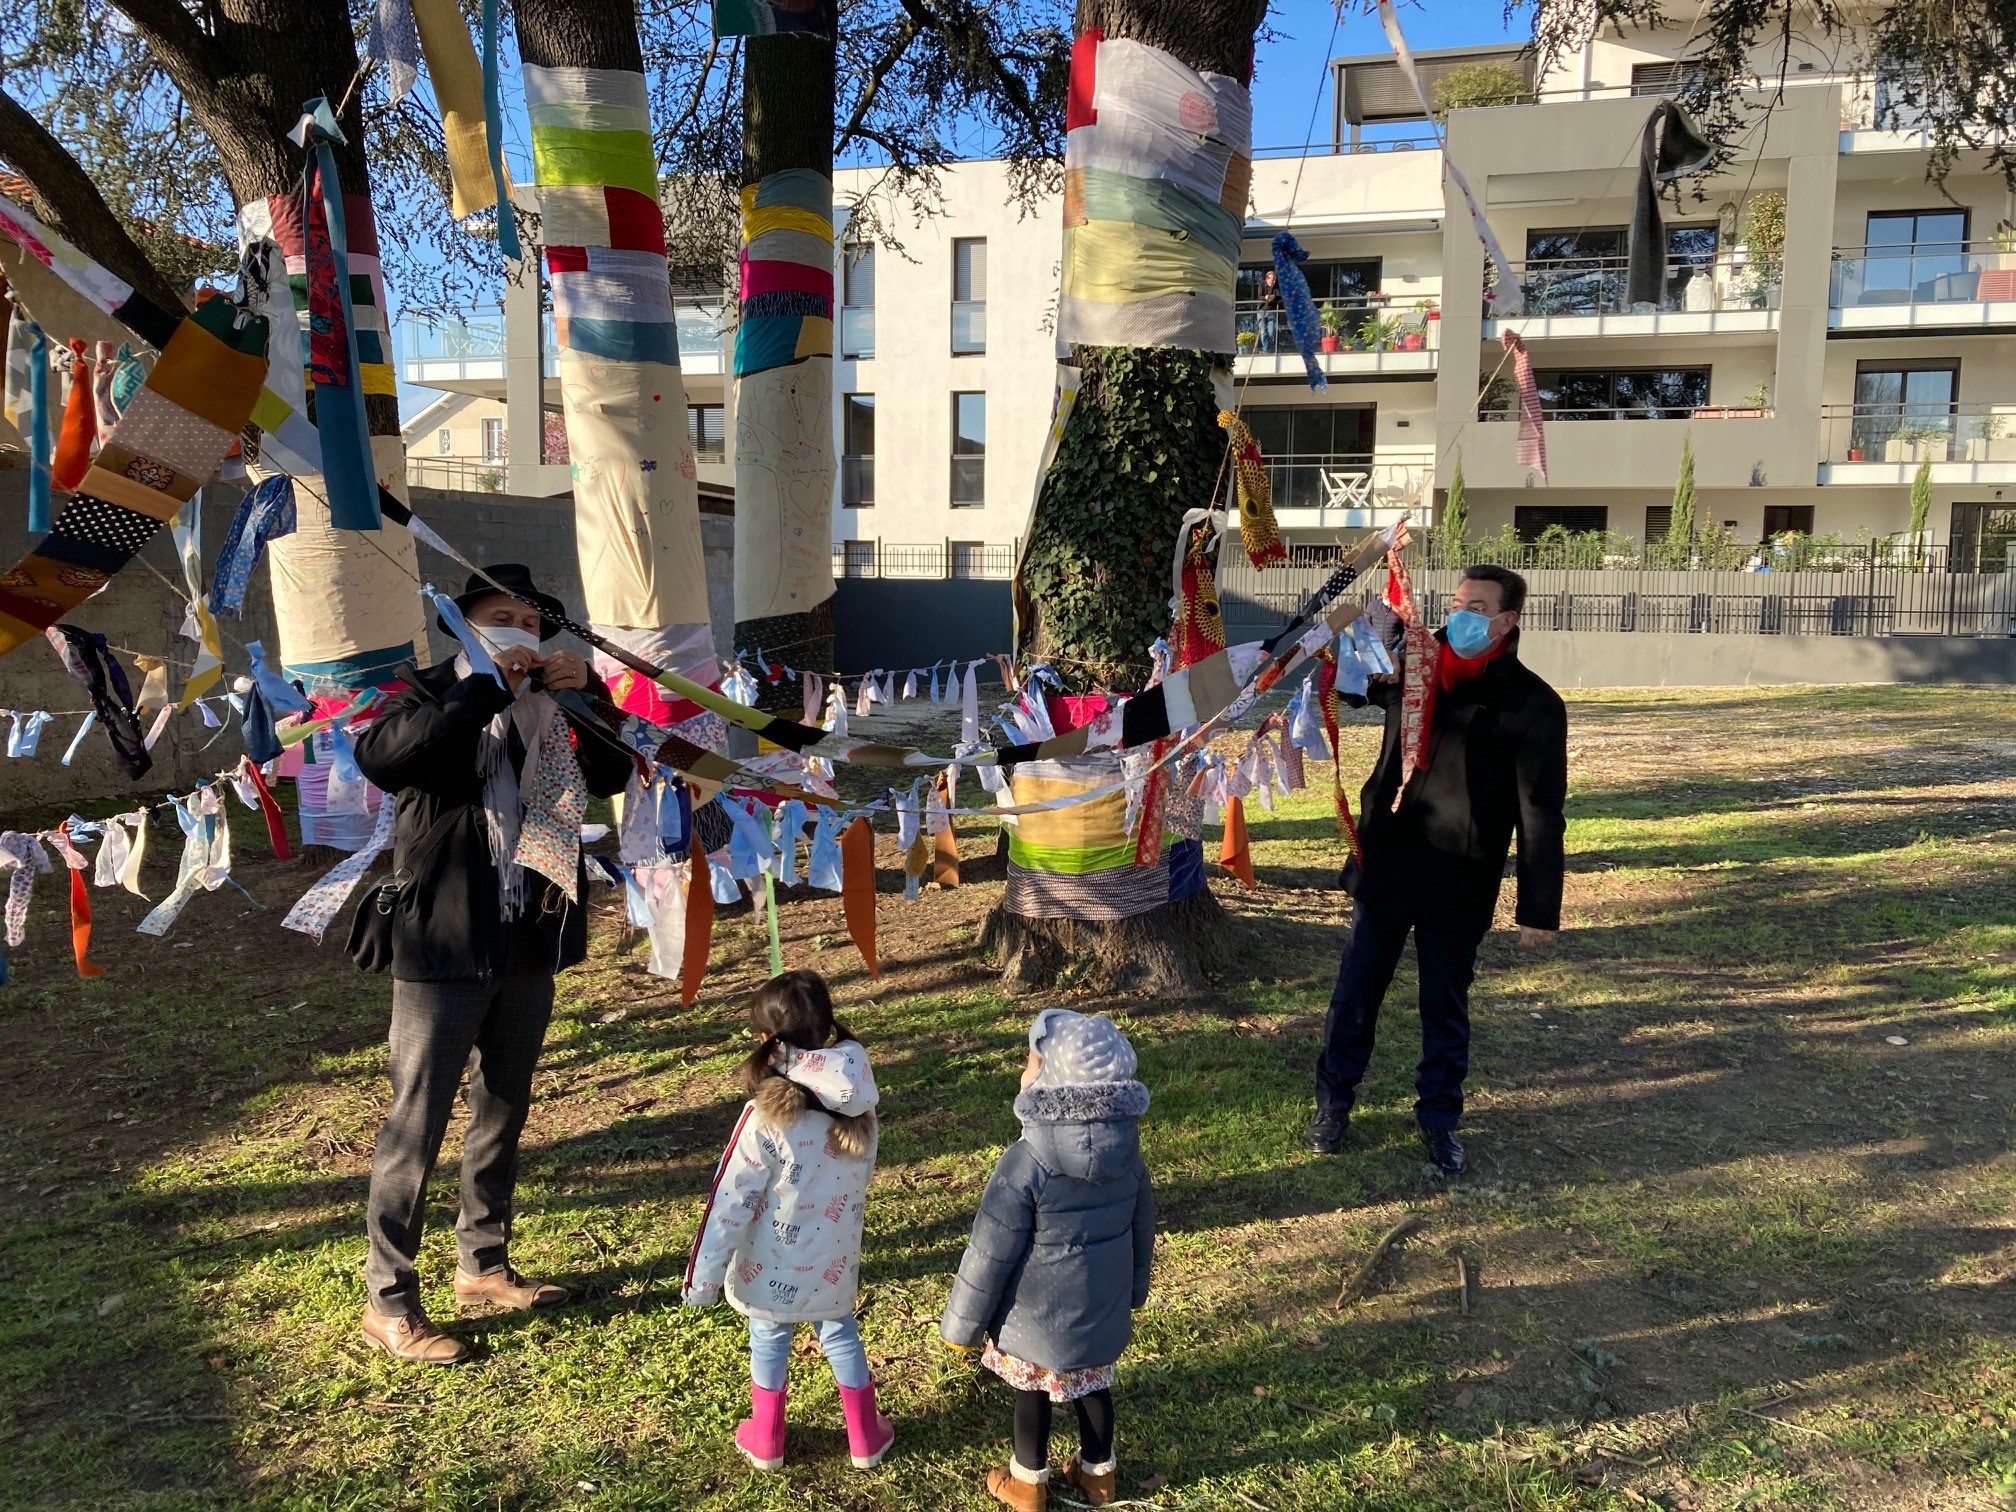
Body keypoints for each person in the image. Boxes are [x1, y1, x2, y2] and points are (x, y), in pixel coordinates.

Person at [351, 564, 637, 1363]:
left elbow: (613, 774)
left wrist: (593, 698)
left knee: (502, 1111)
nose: (522, 629)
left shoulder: (560, 705)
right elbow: (389, 759)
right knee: (418, 1121)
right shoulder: (428, 692)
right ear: (467, 624)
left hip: (528, 935)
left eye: (533, 619)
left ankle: (482, 1262)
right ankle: (389, 1300)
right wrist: (482, 688)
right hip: (443, 945)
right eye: (501, 615)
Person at [1306, 563, 1567, 1177]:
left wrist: (1538, 910)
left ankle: (1440, 1120)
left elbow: (1541, 812)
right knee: (1356, 992)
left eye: (1477, 606)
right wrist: (1354, 634)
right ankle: (1333, 1103)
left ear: (1507, 621)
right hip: (1391, 860)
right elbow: (1349, 686)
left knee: (1443, 1006)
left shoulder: (1533, 704)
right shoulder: (1413, 665)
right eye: (1456, 602)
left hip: (1461, 875)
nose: (1461, 615)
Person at [942, 1010, 1155, 1511]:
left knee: (1031, 1393)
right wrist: (1134, 1293)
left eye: (1031, 1061)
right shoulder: (1129, 1154)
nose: (1023, 1070)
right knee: (1094, 1387)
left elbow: (990, 1248)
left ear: (1051, 1083)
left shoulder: (1026, 1160)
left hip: (1033, 1316)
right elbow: (1142, 1230)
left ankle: (1028, 1485)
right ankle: (1099, 1476)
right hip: (1100, 1310)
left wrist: (961, 1326)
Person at [683, 970, 893, 1473]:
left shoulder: (764, 1119)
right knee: (839, 1331)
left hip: (767, 1264)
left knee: (768, 1336)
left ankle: (767, 1440)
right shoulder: (859, 1108)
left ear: (765, 1039)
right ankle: (865, 1436)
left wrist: (703, 1278)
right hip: (834, 1259)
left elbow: (729, 1201)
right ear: (827, 1028)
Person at [1258, 267, 1283, 353]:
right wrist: (1265, 298)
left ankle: (1270, 346)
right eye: (1272, 279)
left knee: (1271, 331)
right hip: (1262, 310)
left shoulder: (1276, 286)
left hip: (1272, 310)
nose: (1274, 281)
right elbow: (1259, 296)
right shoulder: (1262, 284)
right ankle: (1265, 349)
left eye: (1275, 279)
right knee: (1263, 332)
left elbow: (1279, 296)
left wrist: (1274, 297)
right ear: (1267, 279)